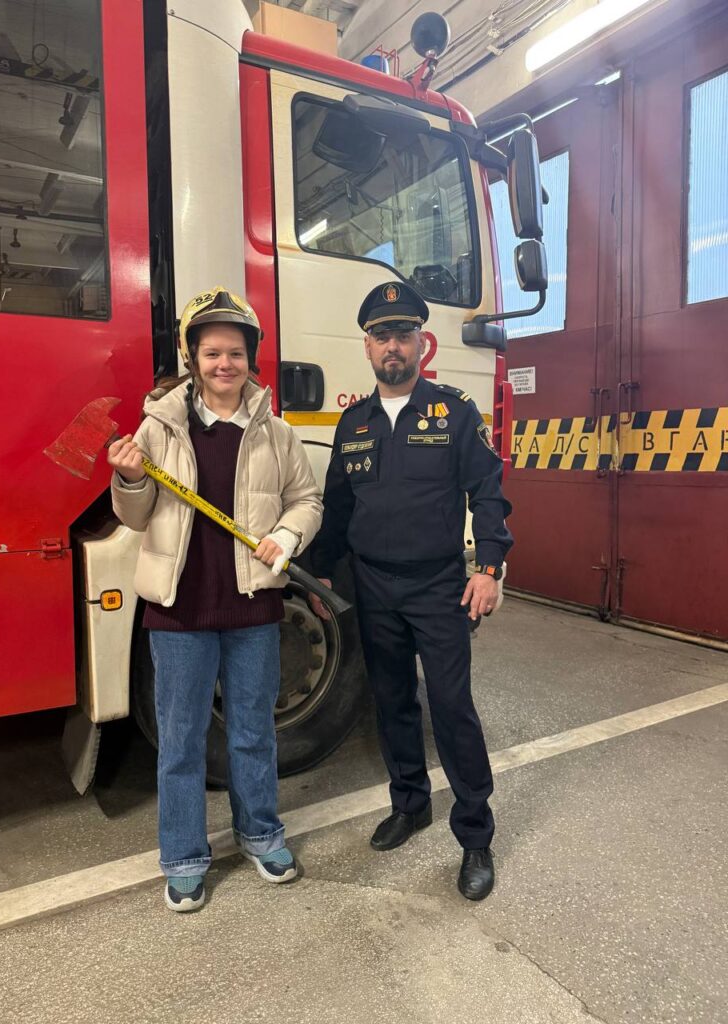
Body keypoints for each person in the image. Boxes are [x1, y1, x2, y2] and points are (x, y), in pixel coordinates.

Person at [109, 287, 322, 912]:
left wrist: (286, 537)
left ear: (250, 359)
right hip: (178, 610)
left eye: (235, 353)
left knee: (253, 732)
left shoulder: (277, 434)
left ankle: (261, 834)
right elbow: (135, 515)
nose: (224, 364)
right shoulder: (158, 427)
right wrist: (129, 478)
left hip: (253, 607)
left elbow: (306, 500)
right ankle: (182, 856)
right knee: (181, 740)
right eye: (211, 353)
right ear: (192, 359)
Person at [308, 281, 512, 901]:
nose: (392, 346)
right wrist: (320, 572)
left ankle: (475, 836)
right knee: (392, 701)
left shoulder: (455, 413)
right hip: (373, 584)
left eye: (402, 334)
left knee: (450, 706)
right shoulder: (353, 423)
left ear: (422, 344)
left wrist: (489, 568)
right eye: (381, 336)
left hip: (438, 586)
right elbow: (338, 507)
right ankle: (410, 804)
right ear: (367, 347)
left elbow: (488, 494)